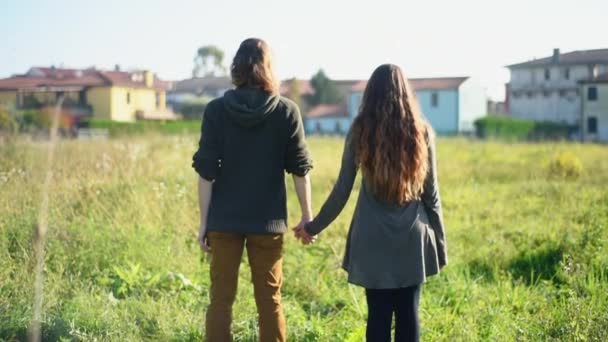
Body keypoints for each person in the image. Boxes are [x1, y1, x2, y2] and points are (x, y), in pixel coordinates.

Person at [294, 64, 447, 342]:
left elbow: (342, 190)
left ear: (370, 94)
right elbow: (431, 193)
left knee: (377, 315)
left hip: (372, 237)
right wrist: (440, 242)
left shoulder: (361, 130)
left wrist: (313, 227)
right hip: (412, 237)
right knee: (408, 313)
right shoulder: (421, 131)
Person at [193, 38, 313, 342]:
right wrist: (307, 216)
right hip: (268, 223)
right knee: (269, 302)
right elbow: (300, 169)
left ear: (236, 68)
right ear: (268, 69)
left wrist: (203, 223)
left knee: (220, 301)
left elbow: (206, 172)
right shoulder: (287, 111)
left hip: (223, 222)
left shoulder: (216, 111)